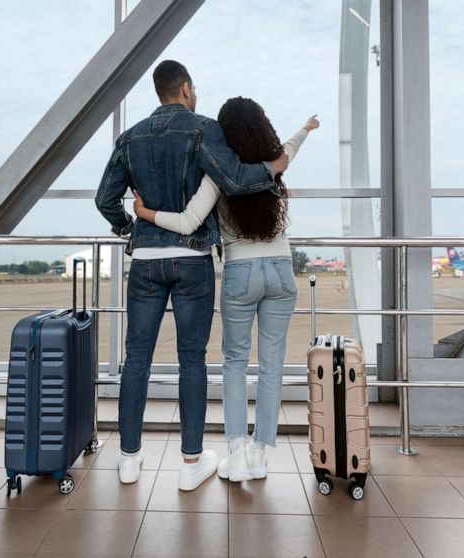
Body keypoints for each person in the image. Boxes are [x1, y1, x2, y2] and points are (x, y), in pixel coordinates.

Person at [95, 61, 289, 491]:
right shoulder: (203, 129)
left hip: (145, 259)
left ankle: (129, 459)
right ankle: (190, 463)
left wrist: (129, 227)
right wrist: (275, 165)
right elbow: (234, 181)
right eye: (194, 87)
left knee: (137, 358)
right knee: (192, 360)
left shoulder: (129, 138)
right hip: (192, 258)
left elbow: (104, 198)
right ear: (185, 88)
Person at [133, 97, 318, 482]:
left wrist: (146, 214)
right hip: (282, 273)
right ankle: (260, 455)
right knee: (271, 365)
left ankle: (235, 453)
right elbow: (290, 149)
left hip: (240, 273)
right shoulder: (273, 167)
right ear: (261, 126)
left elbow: (188, 222)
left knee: (234, 362)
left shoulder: (219, 175)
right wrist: (305, 129)